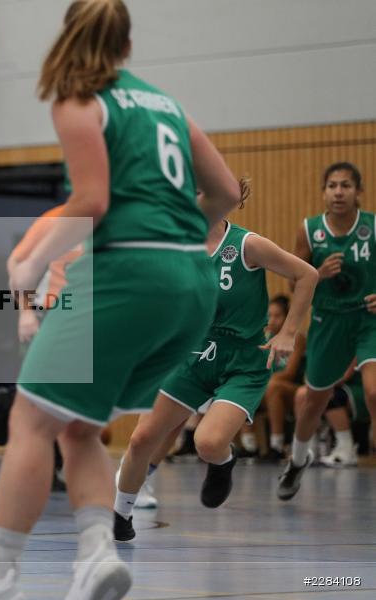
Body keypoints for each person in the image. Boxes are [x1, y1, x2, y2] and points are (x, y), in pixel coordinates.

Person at [0, 2, 242, 598]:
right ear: (126, 41)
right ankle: (96, 554)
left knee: (29, 419)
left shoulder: (80, 99)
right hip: (193, 285)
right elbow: (224, 191)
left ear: (69, 32)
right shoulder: (168, 107)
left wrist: (30, 260)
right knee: (78, 426)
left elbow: (91, 201)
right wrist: (176, 243)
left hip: (128, 273)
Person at [114, 205, 318, 542]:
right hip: (191, 355)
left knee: (207, 443)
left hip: (242, 361)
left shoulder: (246, 245)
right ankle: (120, 516)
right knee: (141, 439)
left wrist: (288, 333)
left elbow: (307, 275)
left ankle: (223, 462)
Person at [279, 162, 376, 501]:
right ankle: (297, 459)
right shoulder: (309, 231)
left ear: (358, 192)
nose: (338, 191)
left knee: (374, 390)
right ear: (323, 192)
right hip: (328, 321)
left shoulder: (373, 227)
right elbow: (293, 282)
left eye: (346, 185)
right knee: (312, 402)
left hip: (367, 318)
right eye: (332, 185)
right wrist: (317, 273)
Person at [0, 203, 84, 492]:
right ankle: (50, 465)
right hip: (49, 314)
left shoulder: (115, 219)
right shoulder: (55, 220)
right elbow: (16, 264)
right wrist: (25, 312)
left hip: (88, 318)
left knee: (75, 398)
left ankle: (10, 400)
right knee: (42, 397)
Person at [260, 295, 307, 462]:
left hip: (292, 388)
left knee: (273, 387)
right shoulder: (262, 337)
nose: (272, 320)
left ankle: (277, 445)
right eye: (269, 315)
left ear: (287, 317)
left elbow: (290, 372)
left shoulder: (297, 337)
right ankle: (248, 446)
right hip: (267, 386)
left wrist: (264, 381)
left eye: (277, 315)